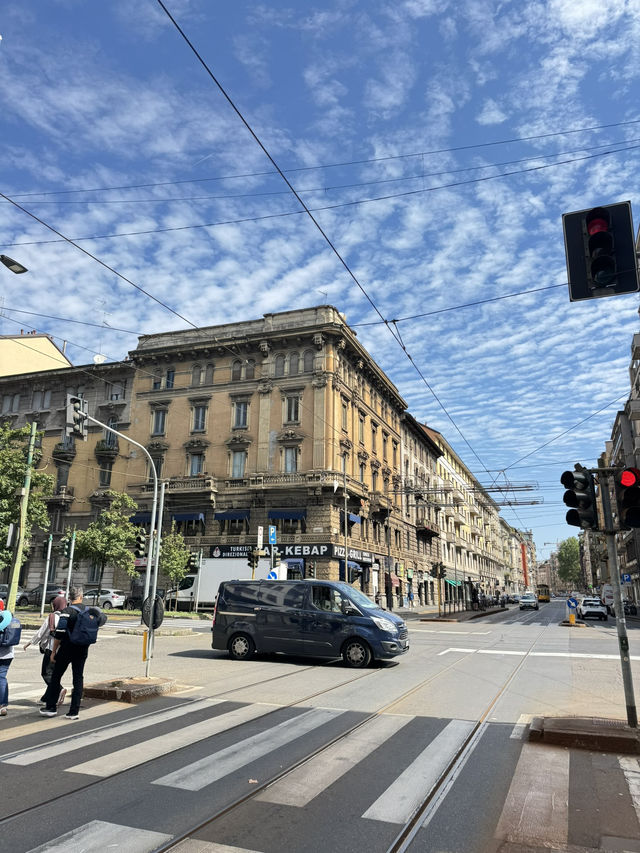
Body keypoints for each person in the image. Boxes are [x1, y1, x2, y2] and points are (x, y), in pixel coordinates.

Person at [40, 585, 105, 721]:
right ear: (81, 597)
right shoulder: (89, 611)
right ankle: (74, 711)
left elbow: (60, 633)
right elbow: (101, 621)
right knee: (78, 678)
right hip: (82, 649)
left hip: (67, 648)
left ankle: (51, 707)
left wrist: (53, 651)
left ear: (70, 598)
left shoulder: (67, 611)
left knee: (56, 676)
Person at [24, 595, 67, 706]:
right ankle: (46, 698)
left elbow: (41, 632)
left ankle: (59, 689)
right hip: (64, 650)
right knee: (54, 674)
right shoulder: (68, 616)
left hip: (51, 649)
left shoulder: (52, 617)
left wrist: (29, 643)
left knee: (46, 673)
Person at [0, 609, 20, 716]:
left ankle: (2, 705)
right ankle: (3, 704)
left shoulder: (1, 618)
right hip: (9, 653)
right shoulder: (9, 617)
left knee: (1, 678)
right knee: (2, 678)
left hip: (1, 654)